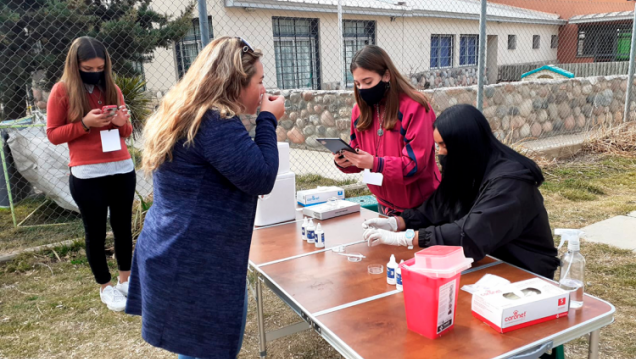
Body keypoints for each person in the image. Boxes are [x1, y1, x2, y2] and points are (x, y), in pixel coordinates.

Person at [125, 37, 285, 359]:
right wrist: (268, 118)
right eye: (260, 81)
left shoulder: (188, 111)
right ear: (236, 82)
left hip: (175, 250)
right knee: (209, 349)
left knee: (196, 349)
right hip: (193, 263)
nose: (263, 90)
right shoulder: (215, 122)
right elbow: (262, 177)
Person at [362, 105, 560, 279]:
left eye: (443, 146)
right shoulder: (472, 166)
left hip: (524, 271)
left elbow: (471, 234)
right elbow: (440, 206)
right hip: (487, 262)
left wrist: (405, 238)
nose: (439, 152)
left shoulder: (510, 183)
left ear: (464, 145)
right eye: (438, 145)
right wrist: (397, 222)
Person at [46, 36, 134, 311]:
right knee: (94, 232)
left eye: (100, 68)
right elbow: (53, 134)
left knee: (122, 228)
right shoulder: (62, 91)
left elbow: (127, 133)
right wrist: (85, 123)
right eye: (89, 68)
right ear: (76, 65)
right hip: (87, 173)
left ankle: (125, 281)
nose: (95, 72)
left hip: (121, 168)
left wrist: (121, 122)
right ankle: (105, 288)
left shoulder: (113, 88)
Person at [334, 45, 440, 216]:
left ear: (386, 75)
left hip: (421, 206)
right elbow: (358, 155)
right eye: (357, 83)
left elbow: (415, 165)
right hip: (384, 204)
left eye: (368, 82)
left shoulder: (415, 107)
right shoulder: (359, 111)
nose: (362, 89)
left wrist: (376, 164)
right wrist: (345, 161)